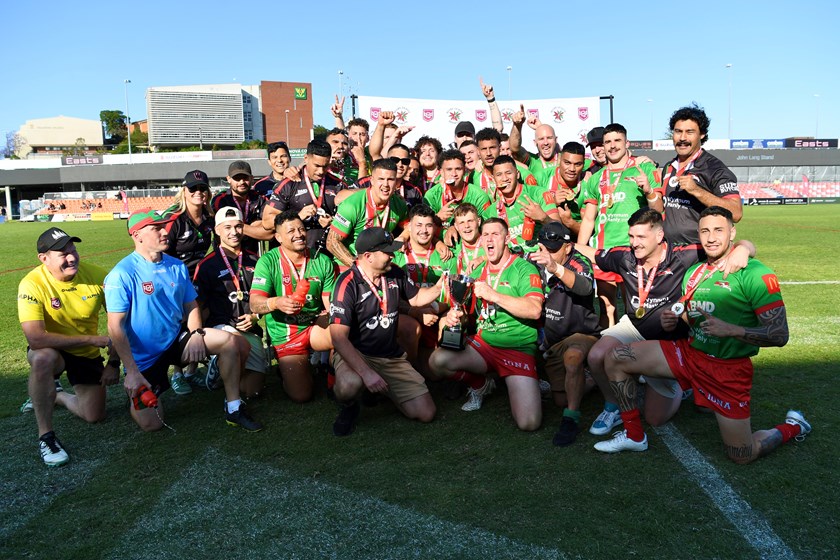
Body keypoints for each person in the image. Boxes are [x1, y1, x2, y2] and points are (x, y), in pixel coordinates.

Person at [593, 207, 811, 463]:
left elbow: (779, 335)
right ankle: (634, 435)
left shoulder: (756, 274)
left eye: (718, 230)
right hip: (689, 354)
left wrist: (733, 330)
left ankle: (794, 426)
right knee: (616, 357)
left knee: (742, 454)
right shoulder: (695, 272)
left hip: (727, 371)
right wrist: (677, 319)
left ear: (733, 232)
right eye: (705, 231)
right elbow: (691, 315)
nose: (711, 238)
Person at [575, 207, 755, 436]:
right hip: (634, 327)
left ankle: (680, 382)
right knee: (596, 356)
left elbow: (730, 245)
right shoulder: (625, 257)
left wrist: (744, 249)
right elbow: (594, 253)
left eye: (641, 237)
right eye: (631, 236)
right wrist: (566, 244)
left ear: (659, 236)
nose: (634, 243)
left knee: (655, 419)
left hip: (668, 339)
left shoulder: (685, 255)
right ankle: (613, 407)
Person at [104, 208, 262, 432]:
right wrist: (131, 372)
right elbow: (115, 327)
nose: (164, 232)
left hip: (177, 339)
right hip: (144, 357)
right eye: (156, 228)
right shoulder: (122, 274)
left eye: (164, 226)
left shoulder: (175, 265)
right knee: (152, 424)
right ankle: (135, 392)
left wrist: (197, 335)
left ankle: (234, 407)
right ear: (137, 235)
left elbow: (191, 306)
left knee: (233, 342)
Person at [429, 218, 545, 431]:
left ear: (507, 238)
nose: (490, 239)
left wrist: (494, 295)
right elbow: (467, 313)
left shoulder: (524, 269)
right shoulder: (477, 272)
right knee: (437, 361)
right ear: (481, 241)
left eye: (496, 234)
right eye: (486, 235)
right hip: (485, 345)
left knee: (529, 423)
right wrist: (457, 317)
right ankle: (481, 385)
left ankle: (529, 378)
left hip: (516, 348)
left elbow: (534, 309)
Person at [329, 227, 445, 436]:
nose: (393, 255)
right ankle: (349, 404)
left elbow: (416, 299)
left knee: (426, 413)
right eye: (387, 252)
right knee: (349, 385)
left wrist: (440, 287)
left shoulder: (394, 273)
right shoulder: (347, 283)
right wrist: (367, 373)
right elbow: (338, 338)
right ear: (368, 256)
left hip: (390, 356)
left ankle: (384, 391)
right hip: (357, 355)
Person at [18, 228, 118, 466]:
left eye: (73, 250)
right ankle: (46, 437)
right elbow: (36, 339)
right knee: (43, 358)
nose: (72, 257)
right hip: (53, 349)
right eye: (62, 253)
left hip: (85, 355)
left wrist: (113, 362)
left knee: (94, 416)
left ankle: (56, 395)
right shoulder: (31, 284)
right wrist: (91, 340)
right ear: (44, 259)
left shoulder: (97, 276)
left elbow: (120, 322)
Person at [577, 123, 664, 329]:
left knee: (632, 306)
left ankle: (635, 351)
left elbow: (659, 210)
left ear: (626, 143)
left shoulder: (644, 168)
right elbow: (589, 219)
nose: (612, 146)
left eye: (617, 141)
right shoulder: (596, 178)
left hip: (632, 250)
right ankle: (609, 352)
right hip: (603, 251)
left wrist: (649, 191)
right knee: (606, 306)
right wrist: (580, 250)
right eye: (608, 142)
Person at [249, 210, 336, 402]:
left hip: (314, 326)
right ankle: (289, 367)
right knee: (302, 395)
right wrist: (275, 302)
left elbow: (330, 303)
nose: (299, 234)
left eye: (301, 229)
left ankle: (333, 378)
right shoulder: (268, 261)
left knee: (341, 331)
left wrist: (329, 315)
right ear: (278, 237)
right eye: (291, 231)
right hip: (286, 332)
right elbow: (255, 304)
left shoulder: (321, 259)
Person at [527, 222, 600, 446]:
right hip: (551, 341)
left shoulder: (580, 262)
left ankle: (571, 419)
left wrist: (555, 268)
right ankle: (592, 379)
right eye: (544, 248)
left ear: (568, 247)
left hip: (580, 335)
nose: (546, 254)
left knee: (574, 357)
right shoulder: (533, 261)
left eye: (553, 249)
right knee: (560, 398)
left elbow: (585, 287)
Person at [193, 207, 266, 397]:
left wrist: (256, 315)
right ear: (217, 230)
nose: (234, 232)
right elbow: (198, 305)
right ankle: (218, 360)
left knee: (252, 391)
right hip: (221, 327)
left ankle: (225, 369)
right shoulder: (207, 265)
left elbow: (266, 297)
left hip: (250, 328)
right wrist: (198, 337)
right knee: (238, 345)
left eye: (238, 226)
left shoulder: (256, 260)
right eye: (227, 227)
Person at [161, 169, 215, 395]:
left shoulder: (209, 219)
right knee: (179, 324)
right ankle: (177, 373)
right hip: (175, 281)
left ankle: (192, 369)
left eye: (202, 188)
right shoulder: (174, 219)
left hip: (200, 280)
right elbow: (161, 254)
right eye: (193, 188)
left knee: (204, 318)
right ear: (184, 191)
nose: (198, 192)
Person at [661, 104, 742, 244]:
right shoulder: (669, 167)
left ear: (702, 134)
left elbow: (736, 213)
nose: (682, 138)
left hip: (699, 253)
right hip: (670, 254)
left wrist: (697, 191)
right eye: (678, 131)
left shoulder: (714, 168)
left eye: (690, 132)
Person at [392, 204, 451, 375]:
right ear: (409, 227)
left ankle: (453, 375)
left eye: (428, 225)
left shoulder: (446, 255)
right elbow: (388, 297)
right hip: (407, 315)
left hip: (436, 314)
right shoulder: (395, 255)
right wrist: (415, 312)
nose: (424, 231)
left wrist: (433, 308)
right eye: (418, 225)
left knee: (435, 375)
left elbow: (453, 295)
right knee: (408, 328)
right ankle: (405, 374)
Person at [262, 139, 345, 254]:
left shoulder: (338, 185)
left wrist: (334, 222)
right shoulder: (289, 184)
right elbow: (267, 222)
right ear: (306, 158)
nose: (321, 171)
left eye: (325, 166)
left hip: (330, 254)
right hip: (297, 256)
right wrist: (297, 217)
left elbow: (351, 218)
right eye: (316, 165)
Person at [327, 158, 409, 269]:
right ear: (372, 180)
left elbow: (411, 226)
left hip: (380, 262)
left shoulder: (399, 204)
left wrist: (403, 237)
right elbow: (332, 242)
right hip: (351, 263)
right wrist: (358, 267)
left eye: (390, 179)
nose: (386, 184)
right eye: (381, 179)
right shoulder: (352, 205)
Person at [484, 155, 559, 254]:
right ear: (493, 179)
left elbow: (559, 230)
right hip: (514, 262)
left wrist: (543, 218)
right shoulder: (491, 211)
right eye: (499, 175)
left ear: (518, 174)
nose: (504, 178)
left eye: (508, 173)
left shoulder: (538, 194)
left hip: (542, 255)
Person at [211, 161, 273, 254]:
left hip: (252, 255)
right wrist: (253, 227)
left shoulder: (260, 199)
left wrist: (235, 225)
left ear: (252, 178)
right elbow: (221, 232)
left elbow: (269, 233)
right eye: (237, 178)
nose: (242, 182)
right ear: (228, 179)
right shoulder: (220, 200)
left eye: (245, 178)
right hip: (225, 255)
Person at [423, 150, 492, 230]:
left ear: (464, 170)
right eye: (449, 169)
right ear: (441, 172)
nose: (454, 174)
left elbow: (487, 228)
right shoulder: (431, 195)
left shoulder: (479, 196)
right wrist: (437, 218)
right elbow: (424, 229)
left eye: (458, 169)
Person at [538, 141, 588, 237]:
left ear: (583, 164)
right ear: (559, 159)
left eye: (578, 164)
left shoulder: (588, 184)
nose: (572, 169)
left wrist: (570, 222)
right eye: (567, 163)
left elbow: (590, 231)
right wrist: (552, 204)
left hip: (574, 240)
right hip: (545, 237)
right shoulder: (542, 177)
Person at [471, 128, 537, 200]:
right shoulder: (473, 177)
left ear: (499, 148)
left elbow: (536, 198)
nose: (488, 153)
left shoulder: (523, 173)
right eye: (484, 149)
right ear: (478, 151)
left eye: (492, 148)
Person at [509, 103, 560, 176]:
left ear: (556, 140)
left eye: (549, 138)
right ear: (535, 142)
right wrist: (517, 126)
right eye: (541, 139)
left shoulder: (565, 159)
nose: (546, 142)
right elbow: (514, 148)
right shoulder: (532, 160)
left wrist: (540, 127)